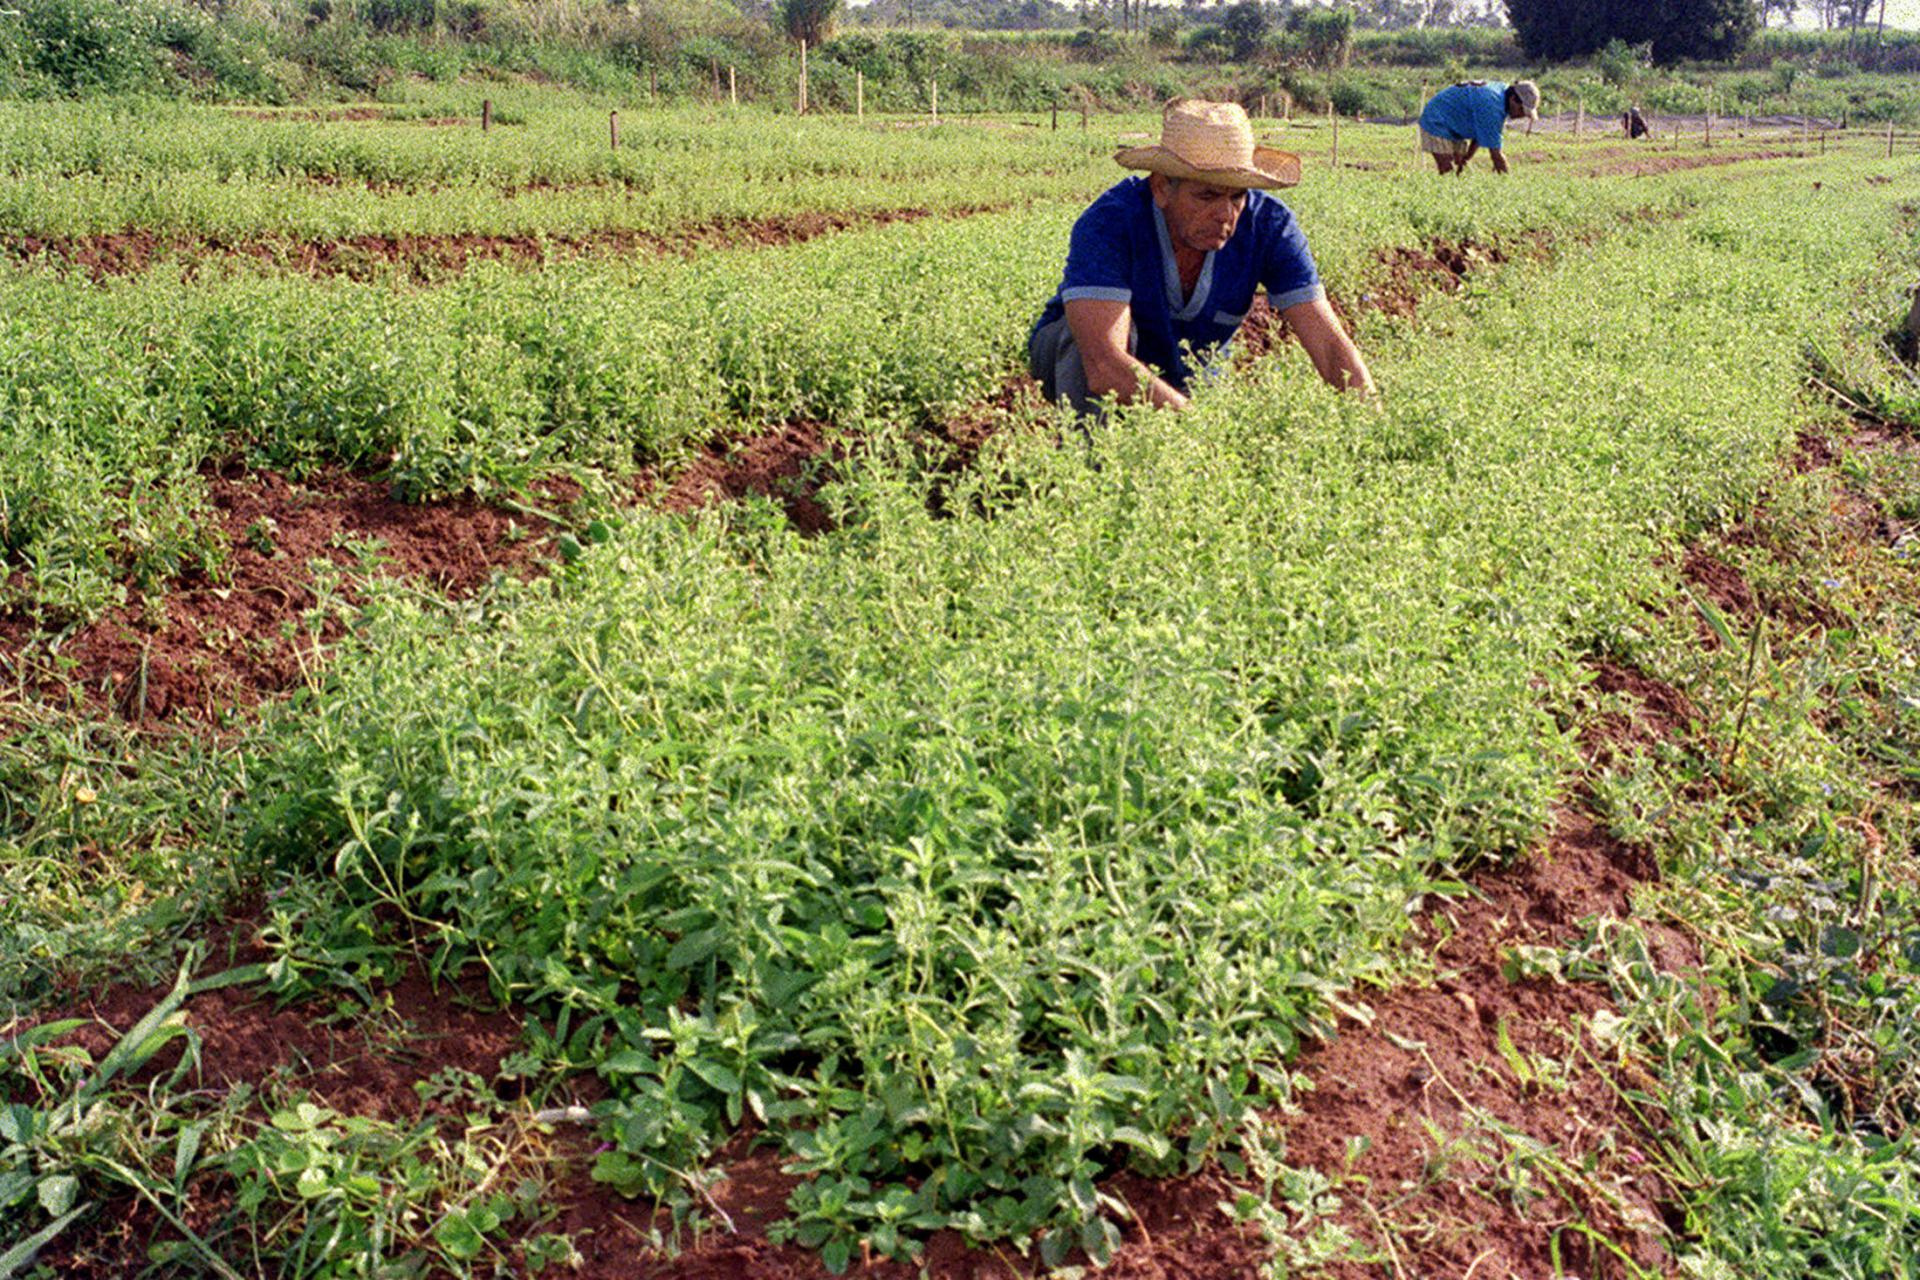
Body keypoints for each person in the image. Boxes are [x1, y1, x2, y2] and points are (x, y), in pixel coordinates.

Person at [1027, 98, 1372, 419]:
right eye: (1206, 195)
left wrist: (1375, 424)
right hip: (1082, 359)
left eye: (1237, 196)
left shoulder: (1269, 225)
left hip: (1191, 372)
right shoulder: (1111, 222)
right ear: (1162, 188)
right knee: (1084, 344)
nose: (1225, 214)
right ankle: (1093, 468)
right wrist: (1197, 427)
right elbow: (1103, 365)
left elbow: (1328, 345)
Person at [1417, 79, 1540, 176]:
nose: (1521, 116)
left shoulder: (1502, 94)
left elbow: (1481, 131)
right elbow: (1496, 156)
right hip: (1437, 119)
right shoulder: (1492, 106)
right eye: (1521, 110)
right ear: (1513, 99)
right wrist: (1507, 183)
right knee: (1447, 170)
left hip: (1456, 123)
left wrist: (1467, 158)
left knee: (1460, 166)